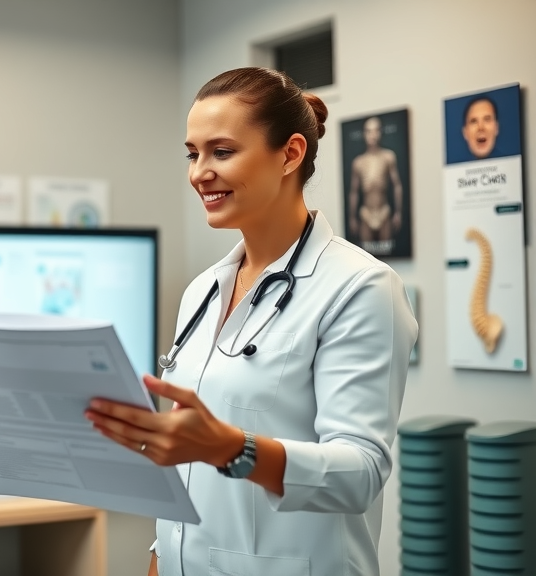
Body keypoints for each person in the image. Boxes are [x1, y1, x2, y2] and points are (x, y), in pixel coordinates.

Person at [85, 67, 418, 575]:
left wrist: (230, 447)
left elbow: (361, 472)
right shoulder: (202, 290)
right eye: (192, 154)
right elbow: (189, 464)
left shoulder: (360, 287)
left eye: (221, 152)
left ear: (290, 154)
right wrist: (160, 555)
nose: (199, 173)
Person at [346, 116, 404, 251]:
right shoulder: (358, 162)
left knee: (387, 254)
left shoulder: (388, 157)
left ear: (380, 133)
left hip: (383, 211)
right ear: (364, 134)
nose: (372, 135)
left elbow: (397, 185)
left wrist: (398, 212)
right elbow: (354, 191)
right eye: (368, 131)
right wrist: (352, 217)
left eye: (375, 130)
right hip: (366, 213)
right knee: (365, 256)